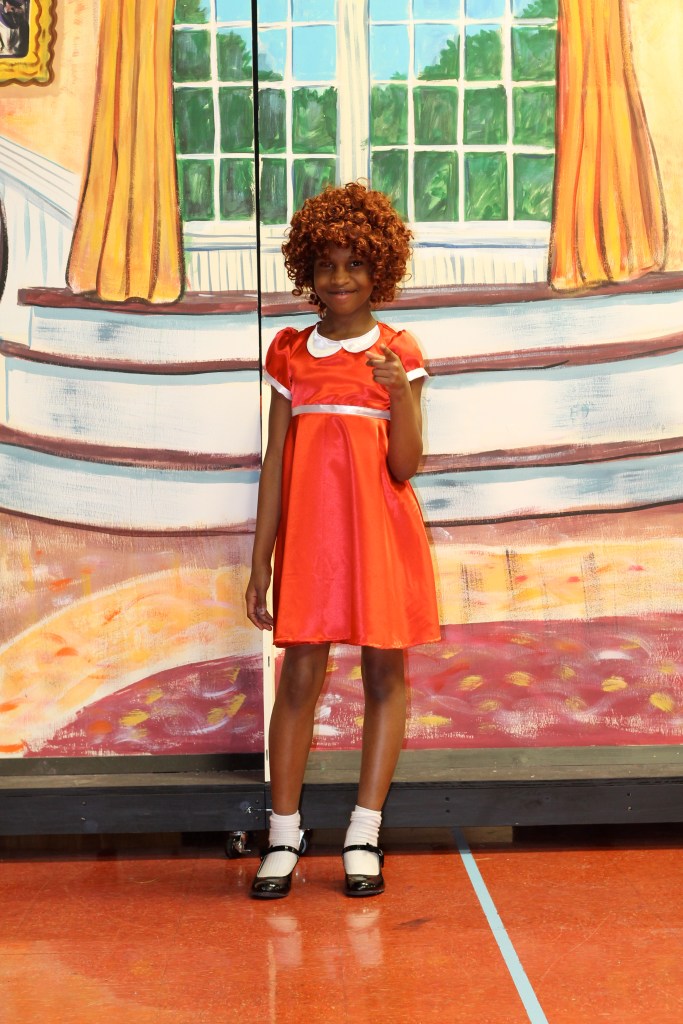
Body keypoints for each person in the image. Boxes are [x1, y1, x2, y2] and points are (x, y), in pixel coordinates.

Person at [245, 181, 440, 899]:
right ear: (307, 270)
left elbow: (405, 465)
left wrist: (397, 392)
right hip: (312, 542)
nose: (340, 278)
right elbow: (275, 463)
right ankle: (283, 834)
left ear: (379, 268)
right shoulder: (290, 353)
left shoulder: (397, 351)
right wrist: (260, 561)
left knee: (384, 675)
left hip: (381, 536)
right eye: (326, 264)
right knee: (299, 676)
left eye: (355, 264)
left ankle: (364, 832)